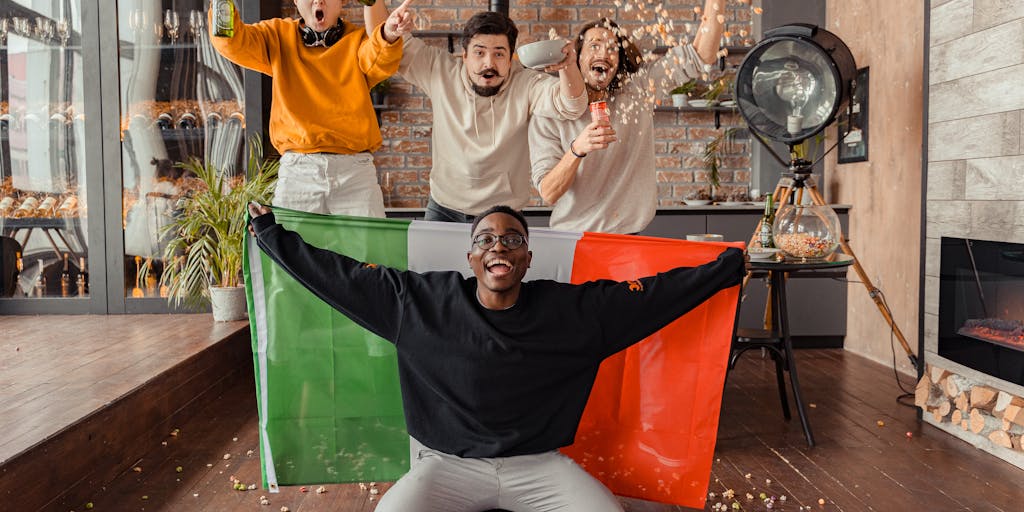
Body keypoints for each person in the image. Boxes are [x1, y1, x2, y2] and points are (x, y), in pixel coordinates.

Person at [247, 201, 745, 511]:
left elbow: (652, 297)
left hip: (540, 467)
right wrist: (273, 236)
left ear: (527, 257)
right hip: (447, 467)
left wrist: (725, 268)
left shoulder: (572, 312)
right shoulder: (418, 304)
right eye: (484, 239)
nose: (497, 245)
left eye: (511, 238)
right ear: (471, 258)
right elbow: (342, 277)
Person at [367, 6, 589, 222]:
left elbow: (572, 105)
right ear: (464, 55)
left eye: (499, 54)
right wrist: (383, 18)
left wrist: (568, 66)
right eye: (479, 53)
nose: (488, 63)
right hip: (444, 209)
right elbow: (384, 42)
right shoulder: (440, 70)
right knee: (429, 262)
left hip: (504, 213)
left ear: (511, 57)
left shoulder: (526, 83)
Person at [528, 0, 725, 233]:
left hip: (630, 237)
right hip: (573, 237)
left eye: (613, 48)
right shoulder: (549, 112)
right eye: (595, 45)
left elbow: (702, 54)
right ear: (577, 57)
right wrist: (577, 149)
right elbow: (549, 193)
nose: (605, 53)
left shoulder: (637, 91)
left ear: (619, 62)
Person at [210, 0, 415, 218]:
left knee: (367, 252)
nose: (319, 1)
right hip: (298, 172)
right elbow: (231, 41)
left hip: (355, 174)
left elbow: (379, 58)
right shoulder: (277, 36)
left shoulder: (357, 42)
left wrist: (389, 33)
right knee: (289, 250)